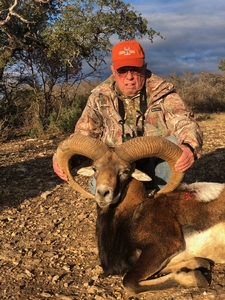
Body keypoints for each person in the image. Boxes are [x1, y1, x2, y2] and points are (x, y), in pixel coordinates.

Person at [53, 40, 203, 193]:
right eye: (123, 70)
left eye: (135, 69)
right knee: (95, 185)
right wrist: (63, 159)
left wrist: (188, 146)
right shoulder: (99, 97)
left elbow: (185, 122)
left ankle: (162, 199)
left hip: (153, 163)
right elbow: (84, 134)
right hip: (115, 166)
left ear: (144, 68)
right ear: (113, 70)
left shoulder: (163, 93)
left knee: (172, 143)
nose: (129, 76)